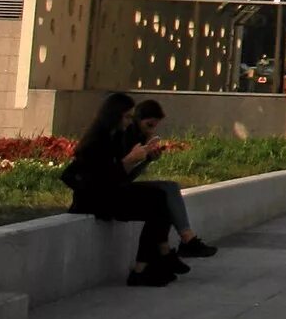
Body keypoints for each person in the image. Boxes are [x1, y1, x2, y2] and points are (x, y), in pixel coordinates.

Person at [64, 91, 180, 287]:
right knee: (157, 201)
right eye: (127, 116)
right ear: (114, 115)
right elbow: (101, 179)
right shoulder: (96, 142)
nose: (129, 121)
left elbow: (121, 177)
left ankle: (146, 265)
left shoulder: (116, 137)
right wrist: (128, 160)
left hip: (110, 193)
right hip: (95, 200)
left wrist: (143, 159)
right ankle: (153, 262)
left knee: (160, 197)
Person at [126, 99, 219, 262]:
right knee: (162, 196)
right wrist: (132, 159)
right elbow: (118, 175)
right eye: (149, 125)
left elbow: (128, 176)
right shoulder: (125, 138)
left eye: (154, 126)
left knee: (169, 188)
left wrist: (147, 159)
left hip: (120, 184)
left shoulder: (140, 138)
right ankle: (177, 245)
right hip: (112, 190)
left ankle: (183, 240)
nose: (152, 130)